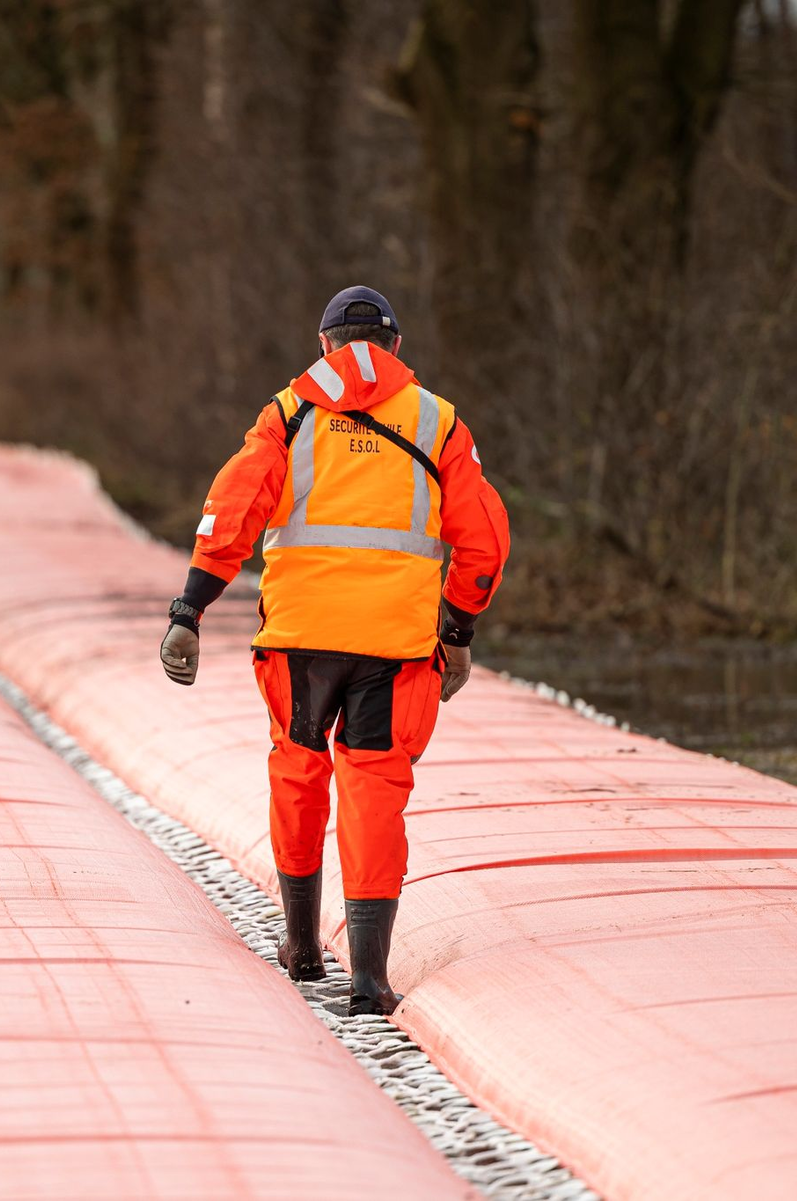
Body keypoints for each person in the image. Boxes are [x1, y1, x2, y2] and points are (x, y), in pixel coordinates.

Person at [159, 286, 510, 1016]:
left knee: (297, 773)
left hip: (298, 642)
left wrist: (190, 606)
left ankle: (301, 946)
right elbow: (482, 540)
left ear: (323, 346)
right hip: (394, 646)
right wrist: (459, 631)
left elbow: (235, 506)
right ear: (397, 348)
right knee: (374, 788)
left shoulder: (287, 415)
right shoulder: (438, 421)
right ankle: (370, 978)